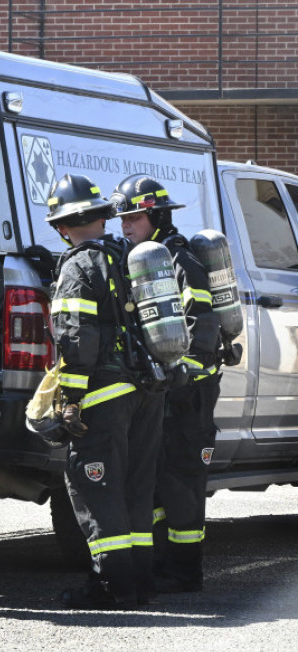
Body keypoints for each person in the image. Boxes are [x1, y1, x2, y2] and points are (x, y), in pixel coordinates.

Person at [45, 174, 164, 610]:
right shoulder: (128, 255)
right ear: (101, 217)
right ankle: (140, 582)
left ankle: (112, 586)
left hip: (103, 396)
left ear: (62, 225)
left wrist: (71, 400)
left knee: (96, 488)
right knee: (136, 488)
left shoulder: (77, 266)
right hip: (147, 391)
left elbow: (77, 340)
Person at [110, 175, 221, 593]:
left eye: (134, 216)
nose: (125, 225)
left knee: (181, 478)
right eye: (122, 217)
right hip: (161, 388)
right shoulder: (139, 259)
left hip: (190, 390)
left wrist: (188, 368)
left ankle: (185, 569)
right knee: (154, 476)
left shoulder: (179, 258)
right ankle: (159, 562)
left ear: (155, 215)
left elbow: (204, 322)